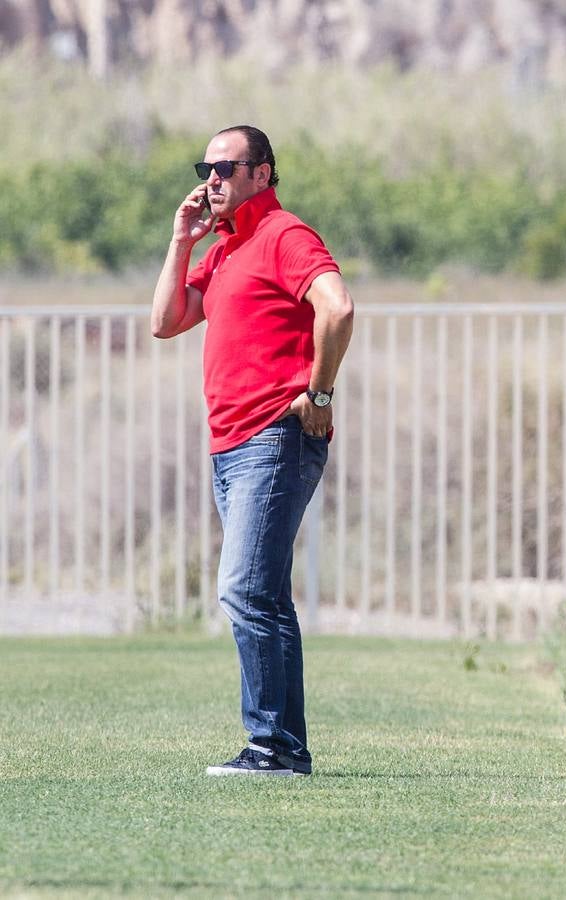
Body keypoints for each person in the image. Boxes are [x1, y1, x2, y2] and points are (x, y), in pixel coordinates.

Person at [150, 124, 354, 777]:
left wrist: (318, 397)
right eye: (205, 168)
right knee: (264, 594)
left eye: (226, 168)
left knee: (242, 589)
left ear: (262, 173)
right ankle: (285, 748)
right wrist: (182, 241)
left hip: (274, 434)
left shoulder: (282, 236)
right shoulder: (228, 248)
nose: (212, 179)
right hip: (232, 445)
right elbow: (166, 321)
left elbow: (338, 309)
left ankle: (271, 747)